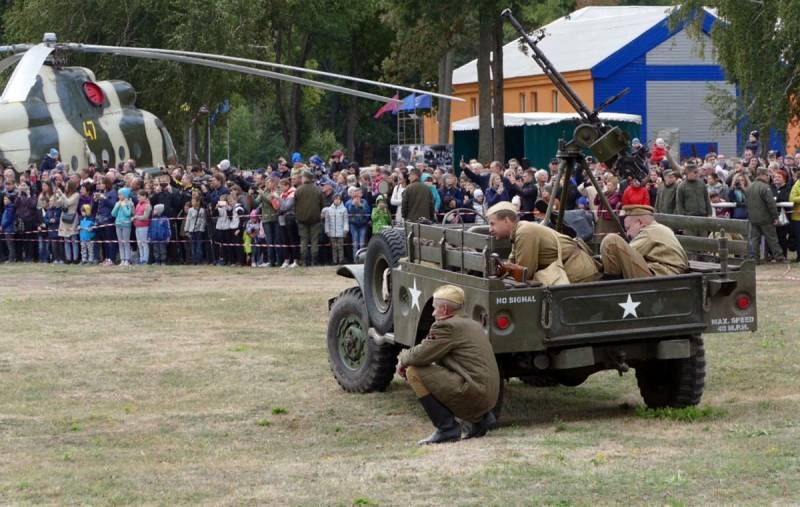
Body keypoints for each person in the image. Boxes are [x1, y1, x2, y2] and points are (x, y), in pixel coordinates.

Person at [397, 285, 499, 444]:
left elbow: (419, 356)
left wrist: (402, 358)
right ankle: (479, 419)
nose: (432, 313)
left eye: (434, 308)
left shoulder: (446, 326)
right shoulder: (471, 324)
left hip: (476, 392)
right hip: (489, 395)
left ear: (444, 309)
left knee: (413, 372)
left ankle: (446, 428)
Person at [487, 201, 600, 284]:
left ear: (506, 220)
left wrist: (506, 268)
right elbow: (513, 264)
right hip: (571, 272)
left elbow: (525, 273)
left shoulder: (524, 231)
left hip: (578, 275)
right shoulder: (518, 232)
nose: (490, 229)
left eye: (492, 223)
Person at [600, 204, 688, 278]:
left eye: (628, 228)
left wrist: (600, 260)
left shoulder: (649, 232)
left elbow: (628, 252)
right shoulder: (658, 228)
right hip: (667, 274)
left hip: (663, 276)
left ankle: (611, 287)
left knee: (612, 241)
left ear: (640, 223)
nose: (627, 233)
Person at [745, 167, 785, 262]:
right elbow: (771, 203)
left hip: (753, 218)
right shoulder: (765, 187)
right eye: (767, 175)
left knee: (755, 239)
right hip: (765, 218)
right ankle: (779, 257)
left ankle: (755, 259)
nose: (768, 178)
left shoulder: (750, 187)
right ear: (763, 175)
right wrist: (775, 217)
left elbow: (746, 203)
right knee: (772, 238)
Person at [294, 171, 324, 266]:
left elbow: (295, 205)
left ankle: (304, 261)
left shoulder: (298, 190)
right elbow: (322, 204)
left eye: (302, 177)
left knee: (304, 241)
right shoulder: (318, 190)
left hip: (302, 219)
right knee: (314, 241)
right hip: (315, 219)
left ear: (306, 178)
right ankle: (314, 261)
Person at [323, 193, 349, 265]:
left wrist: (345, 229)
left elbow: (345, 220)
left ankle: (341, 260)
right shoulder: (329, 210)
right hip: (332, 232)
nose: (337, 201)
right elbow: (327, 221)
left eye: (338, 199)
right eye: (335, 199)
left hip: (341, 232)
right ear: (333, 200)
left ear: (341, 200)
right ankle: (334, 261)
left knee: (340, 247)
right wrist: (327, 230)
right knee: (334, 248)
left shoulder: (344, 209)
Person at [184, 195, 208, 265]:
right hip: (192, 230)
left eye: (193, 201)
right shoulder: (190, 210)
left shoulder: (202, 210)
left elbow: (203, 221)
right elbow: (188, 220)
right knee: (193, 246)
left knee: (199, 246)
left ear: (198, 202)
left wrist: (201, 229)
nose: (192, 202)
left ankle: (199, 260)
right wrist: (186, 230)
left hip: (199, 231)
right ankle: (194, 260)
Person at [133, 189, 152, 265]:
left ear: (144, 196)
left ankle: (145, 259)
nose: (138, 198)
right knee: (139, 244)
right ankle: (141, 258)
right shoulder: (138, 204)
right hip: (137, 226)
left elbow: (145, 217)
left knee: (144, 243)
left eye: (139, 197)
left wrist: (136, 217)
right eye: (137, 197)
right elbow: (135, 213)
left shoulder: (147, 205)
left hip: (144, 226)